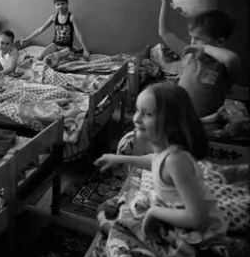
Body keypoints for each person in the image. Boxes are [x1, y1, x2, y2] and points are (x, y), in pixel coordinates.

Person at [94, 82, 227, 241]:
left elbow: (198, 218)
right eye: (137, 111)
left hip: (199, 233)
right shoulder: (166, 153)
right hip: (175, 213)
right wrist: (120, 159)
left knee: (118, 234)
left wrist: (154, 213)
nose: (136, 118)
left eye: (148, 114)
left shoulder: (176, 161)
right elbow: (156, 162)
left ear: (172, 124)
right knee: (114, 212)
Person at [158, 0, 240, 118]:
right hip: (180, 118)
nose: (193, 42)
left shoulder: (223, 66)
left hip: (204, 123)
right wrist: (165, 2)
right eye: (192, 37)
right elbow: (165, 33)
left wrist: (203, 48)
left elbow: (231, 59)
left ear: (219, 42)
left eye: (198, 39)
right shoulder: (190, 55)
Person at [18, 0, 90, 61]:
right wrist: (27, 39)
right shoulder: (54, 17)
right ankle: (63, 56)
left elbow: (78, 34)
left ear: (67, 4)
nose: (60, 6)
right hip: (55, 45)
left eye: (63, 3)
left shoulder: (71, 17)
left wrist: (85, 50)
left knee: (48, 60)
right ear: (55, 6)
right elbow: (41, 29)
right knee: (40, 56)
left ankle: (69, 55)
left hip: (67, 47)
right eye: (58, 4)